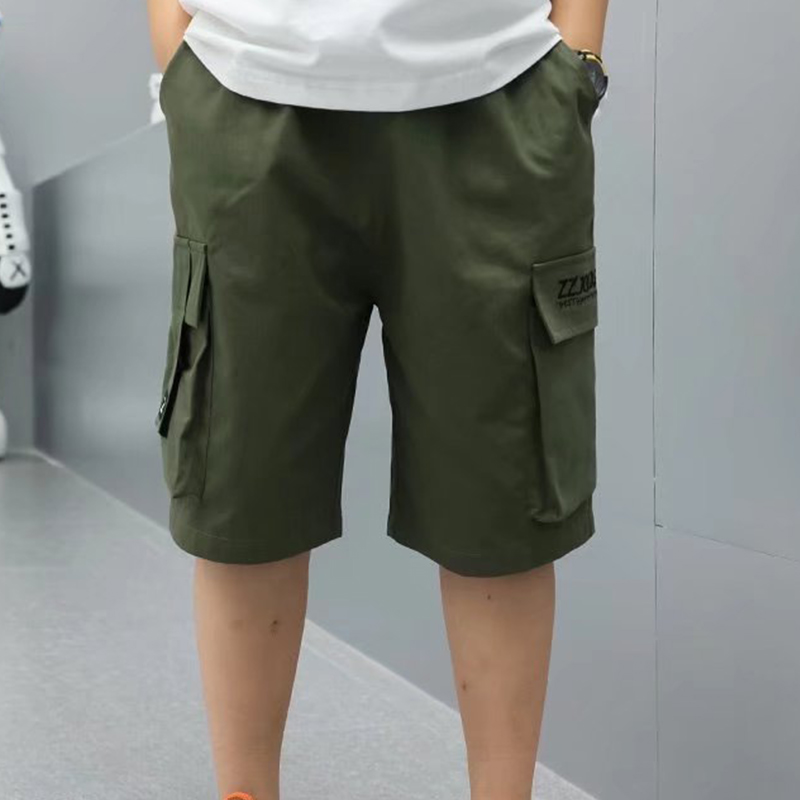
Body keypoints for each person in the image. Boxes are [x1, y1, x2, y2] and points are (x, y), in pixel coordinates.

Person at [146, 1, 609, 798]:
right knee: (239, 502)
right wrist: (178, 50)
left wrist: (578, 59)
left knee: (504, 509)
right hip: (243, 80)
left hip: (497, 83)